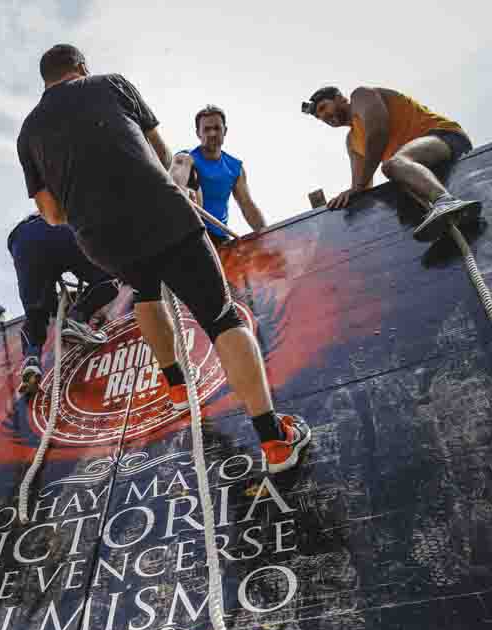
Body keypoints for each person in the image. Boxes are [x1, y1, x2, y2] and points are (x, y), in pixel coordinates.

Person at [16, 44, 311, 472]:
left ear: (45, 80)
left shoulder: (28, 134)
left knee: (144, 289)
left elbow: (53, 214)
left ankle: (175, 384)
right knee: (221, 316)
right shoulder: (111, 84)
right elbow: (161, 151)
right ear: (81, 67)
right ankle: (274, 440)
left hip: (101, 240)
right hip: (161, 212)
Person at [302, 86, 481, 242]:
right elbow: (362, 186)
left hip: (444, 138)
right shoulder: (352, 142)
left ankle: (445, 201)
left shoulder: (361, 97)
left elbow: (378, 133)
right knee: (397, 181)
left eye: (324, 107)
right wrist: (349, 195)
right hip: (419, 166)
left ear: (340, 98)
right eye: (319, 117)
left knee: (392, 164)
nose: (324, 116)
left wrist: (358, 186)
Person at [7, 213, 118, 394]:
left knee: (36, 313)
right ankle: (78, 318)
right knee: (108, 279)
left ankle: (32, 358)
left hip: (21, 241)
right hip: (60, 226)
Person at [169, 104, 267, 243]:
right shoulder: (184, 159)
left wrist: (268, 236)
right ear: (198, 133)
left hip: (221, 238)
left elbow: (247, 205)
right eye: (207, 129)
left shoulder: (235, 167)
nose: (212, 133)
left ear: (225, 130)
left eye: (217, 128)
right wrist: (184, 191)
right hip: (194, 232)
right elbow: (174, 186)